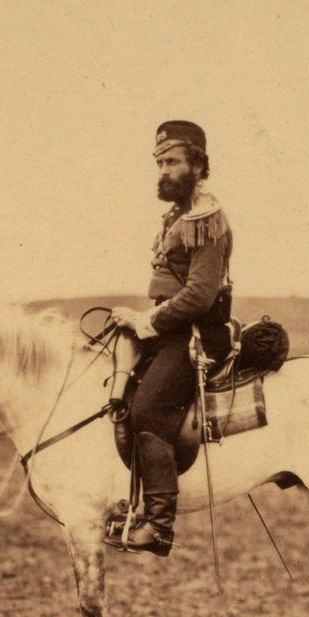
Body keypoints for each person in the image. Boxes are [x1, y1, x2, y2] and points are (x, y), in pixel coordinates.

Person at [105, 120, 233, 556]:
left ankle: (158, 526)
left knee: (147, 409)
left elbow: (199, 294)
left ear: (197, 165)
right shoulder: (176, 217)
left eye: (173, 161)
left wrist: (147, 322)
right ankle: (130, 504)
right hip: (167, 330)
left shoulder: (207, 219)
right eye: (160, 162)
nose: (164, 170)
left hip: (194, 335)